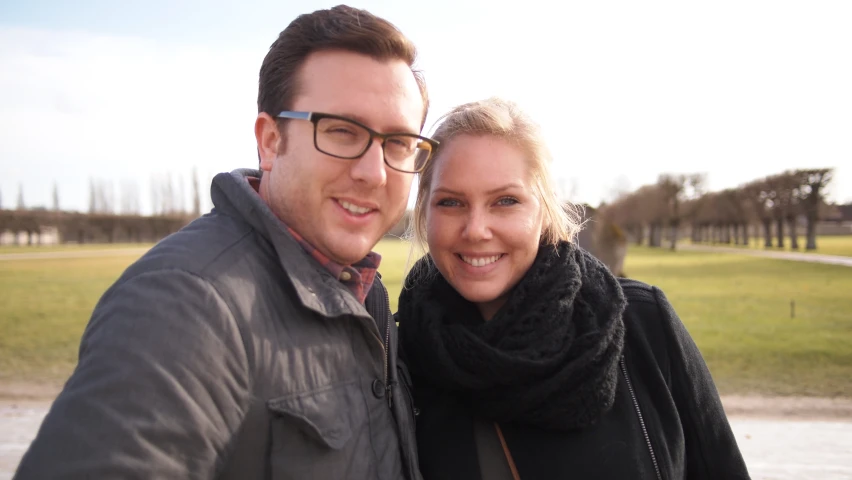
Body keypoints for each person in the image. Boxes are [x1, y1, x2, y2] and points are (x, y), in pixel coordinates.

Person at [15, 5, 435, 479]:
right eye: (341, 131)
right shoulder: (185, 305)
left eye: (398, 142)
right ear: (271, 140)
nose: (373, 172)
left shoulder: (365, 291)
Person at [396, 97, 751, 479]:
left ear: (543, 210)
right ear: (425, 214)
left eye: (506, 201)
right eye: (450, 202)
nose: (477, 229)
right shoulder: (402, 360)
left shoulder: (643, 322)